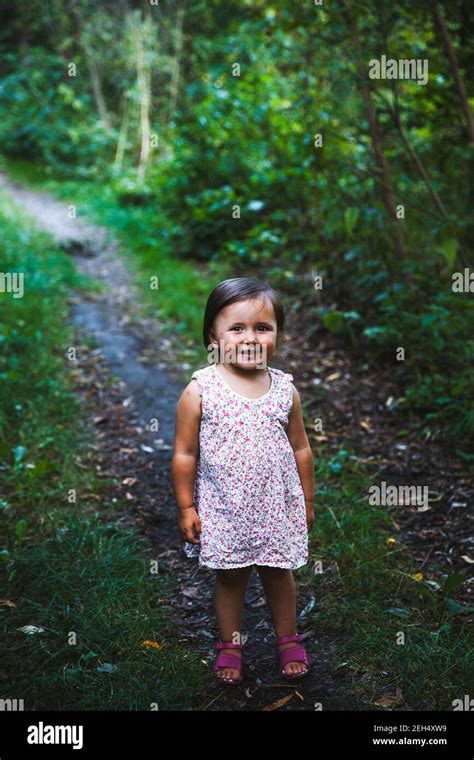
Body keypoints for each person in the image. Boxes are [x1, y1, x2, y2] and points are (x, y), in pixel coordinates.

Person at [171, 277, 315, 685]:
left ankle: (287, 637)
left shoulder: (284, 389)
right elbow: (184, 453)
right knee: (231, 577)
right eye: (237, 328)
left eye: (262, 328)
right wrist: (186, 506)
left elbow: (301, 448)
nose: (250, 337)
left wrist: (306, 499)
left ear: (277, 335)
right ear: (213, 335)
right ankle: (230, 644)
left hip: (275, 504)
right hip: (224, 507)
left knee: (278, 572)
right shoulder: (201, 391)